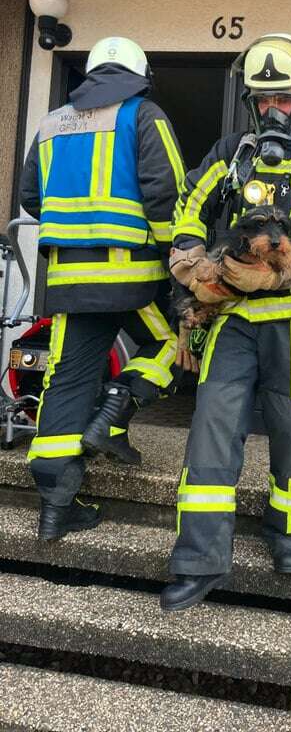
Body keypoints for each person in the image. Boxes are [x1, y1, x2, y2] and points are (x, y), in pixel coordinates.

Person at [160, 33, 291, 611]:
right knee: (212, 427)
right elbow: (189, 209)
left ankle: (289, 534)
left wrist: (282, 273)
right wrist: (190, 262)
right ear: (251, 102)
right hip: (234, 318)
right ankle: (198, 561)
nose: (274, 111)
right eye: (263, 101)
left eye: (284, 100)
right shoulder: (231, 152)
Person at [18, 37, 185, 540]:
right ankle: (116, 407)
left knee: (65, 383)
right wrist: (175, 264)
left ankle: (54, 508)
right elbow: (167, 197)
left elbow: (30, 199)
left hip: (68, 280)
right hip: (131, 275)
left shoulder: (50, 123)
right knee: (173, 341)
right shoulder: (144, 115)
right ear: (139, 73)